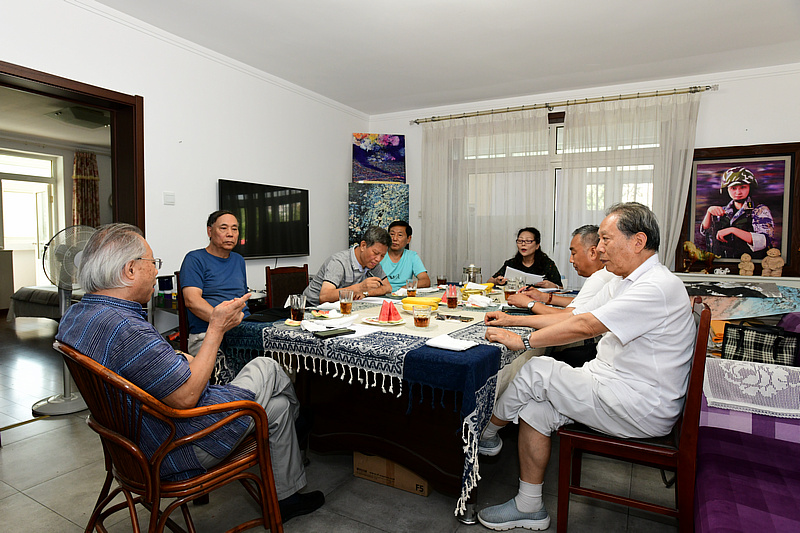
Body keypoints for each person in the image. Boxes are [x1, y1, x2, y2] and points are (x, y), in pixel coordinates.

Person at [55, 223, 324, 523]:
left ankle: (285, 498)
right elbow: (186, 397)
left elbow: (131, 366)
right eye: (152, 264)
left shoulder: (77, 316)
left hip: (130, 447)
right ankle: (302, 421)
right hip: (175, 448)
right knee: (268, 366)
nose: (156, 272)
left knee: (277, 407)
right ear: (130, 270)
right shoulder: (127, 329)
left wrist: (169, 357)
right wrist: (216, 328)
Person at [475, 203, 694, 531]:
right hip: (613, 383)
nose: (600, 247)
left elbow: (586, 326)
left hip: (641, 402)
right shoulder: (624, 280)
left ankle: (487, 434)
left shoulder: (655, 286)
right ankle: (530, 506)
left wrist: (522, 341)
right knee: (536, 405)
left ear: (637, 241)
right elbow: (576, 315)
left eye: (606, 239)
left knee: (536, 370)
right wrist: (510, 319)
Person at [506, 225, 617, 316]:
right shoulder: (608, 274)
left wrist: (529, 304)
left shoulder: (599, 278)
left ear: (593, 252)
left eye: (574, 254)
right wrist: (544, 297)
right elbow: (580, 303)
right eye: (520, 241)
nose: (571, 260)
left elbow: (567, 317)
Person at [180, 210, 249, 354]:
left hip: (243, 329)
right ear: (210, 231)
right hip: (207, 334)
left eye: (234, 229)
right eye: (223, 228)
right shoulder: (194, 259)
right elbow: (192, 301)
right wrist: (223, 321)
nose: (230, 233)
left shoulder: (239, 260)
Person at [303, 226, 393, 306]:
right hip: (311, 307)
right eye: (375, 253)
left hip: (343, 306)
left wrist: (366, 293)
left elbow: (388, 288)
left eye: (382, 256)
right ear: (363, 246)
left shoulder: (372, 263)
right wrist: (360, 288)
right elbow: (324, 296)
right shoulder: (339, 262)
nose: (378, 259)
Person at [699, 166, 775, 260]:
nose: (738, 192)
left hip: (750, 263)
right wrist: (709, 212)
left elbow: (764, 241)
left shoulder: (759, 210)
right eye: (733, 188)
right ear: (727, 189)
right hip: (724, 262)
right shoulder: (722, 211)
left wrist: (733, 230)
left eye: (743, 187)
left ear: (750, 188)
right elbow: (705, 232)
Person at [488, 227, 562, 287]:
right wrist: (496, 281)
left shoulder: (547, 264)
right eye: (520, 241)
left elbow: (561, 288)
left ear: (537, 245)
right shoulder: (511, 263)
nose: (523, 244)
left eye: (528, 241)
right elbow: (490, 281)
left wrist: (553, 286)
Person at [379, 220, 431, 291]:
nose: (394, 239)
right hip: (382, 294)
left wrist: (406, 287)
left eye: (400, 235)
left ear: (408, 239)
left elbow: (426, 281)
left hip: (404, 296)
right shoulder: (379, 255)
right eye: (392, 234)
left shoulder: (412, 256)